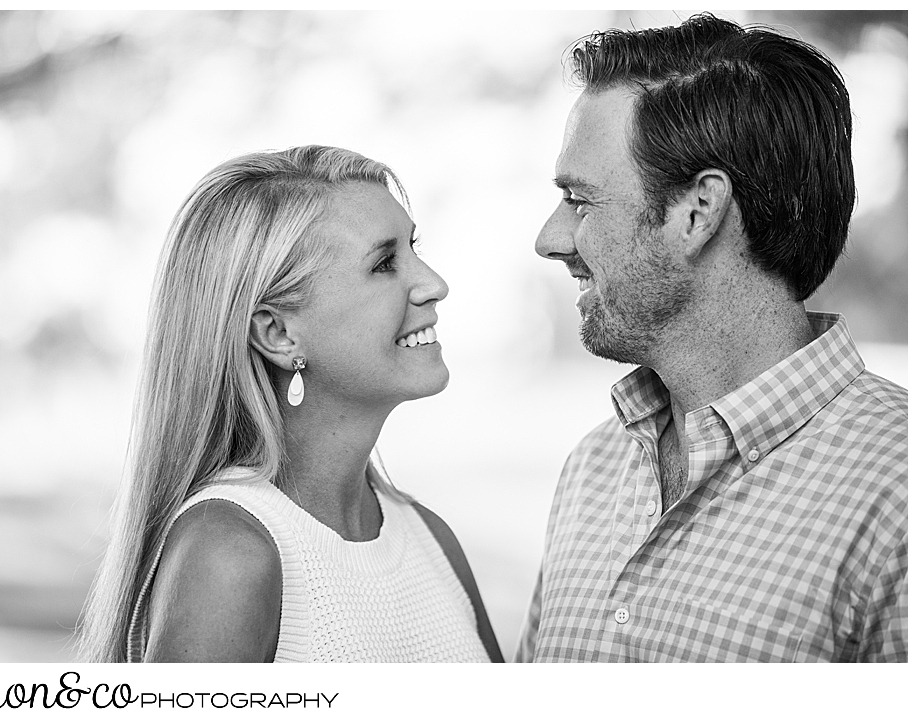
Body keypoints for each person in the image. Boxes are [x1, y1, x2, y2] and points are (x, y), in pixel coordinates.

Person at [517, 14, 907, 662]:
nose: (550, 239)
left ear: (698, 212)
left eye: (580, 201)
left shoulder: (898, 490)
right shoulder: (593, 468)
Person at [77, 145, 503, 663]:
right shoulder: (229, 554)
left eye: (413, 247)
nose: (435, 284)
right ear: (277, 333)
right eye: (385, 263)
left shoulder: (431, 540)